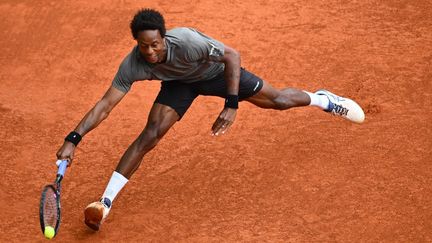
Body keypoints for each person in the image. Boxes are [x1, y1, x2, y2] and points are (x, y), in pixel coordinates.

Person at [56, 8, 364, 231]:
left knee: (280, 102)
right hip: (180, 86)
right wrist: (74, 138)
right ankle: (104, 203)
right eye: (143, 45)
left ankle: (323, 99)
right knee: (150, 134)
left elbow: (232, 56)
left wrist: (232, 104)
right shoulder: (133, 64)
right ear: (136, 42)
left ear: (165, 38)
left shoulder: (188, 41)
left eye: (155, 44)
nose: (150, 52)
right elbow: (105, 105)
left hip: (217, 74)